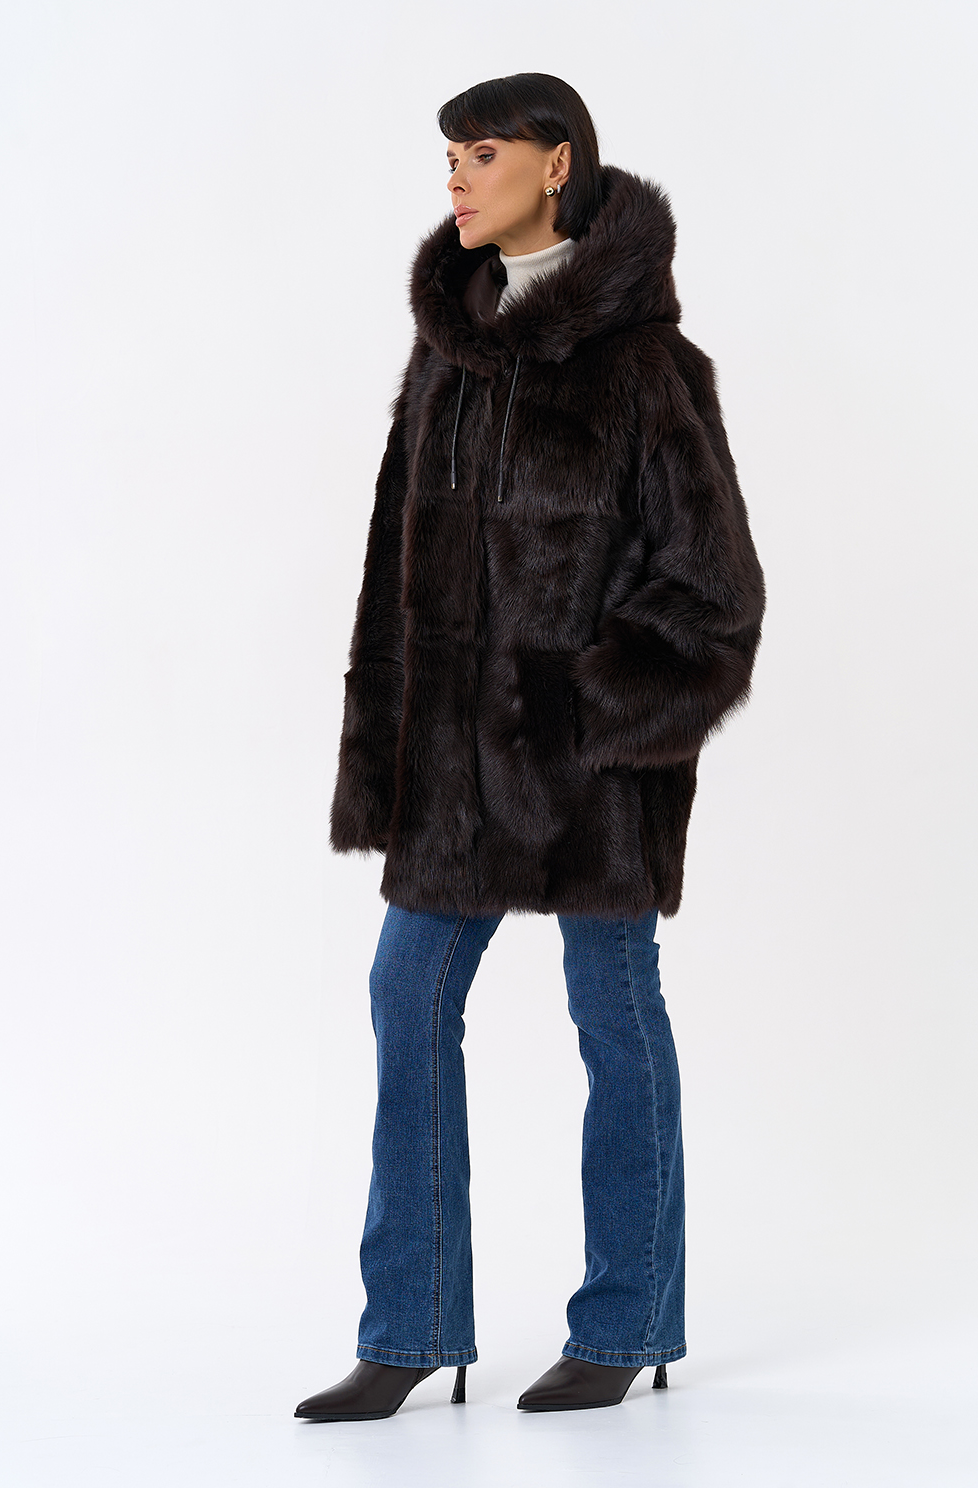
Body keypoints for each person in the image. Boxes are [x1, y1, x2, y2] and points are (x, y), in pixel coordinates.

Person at [295, 72, 766, 1423]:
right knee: (406, 995)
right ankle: (413, 1329)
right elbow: (395, 574)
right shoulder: (447, 356)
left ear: (557, 164)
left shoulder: (646, 366)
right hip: (452, 768)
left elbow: (713, 589)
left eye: (483, 152)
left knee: (611, 1013)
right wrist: (388, 746)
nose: (456, 176)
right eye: (448, 154)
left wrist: (594, 712)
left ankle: (629, 1321)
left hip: (594, 773)